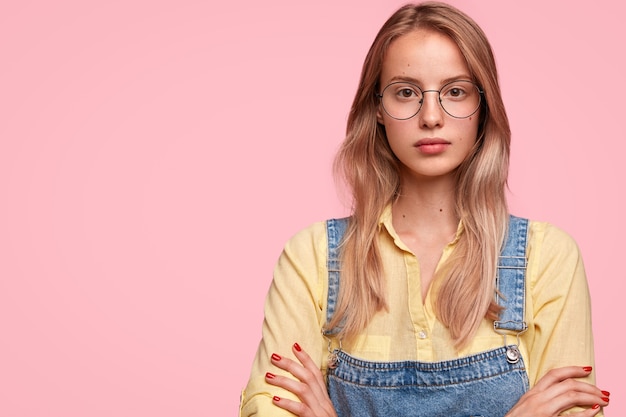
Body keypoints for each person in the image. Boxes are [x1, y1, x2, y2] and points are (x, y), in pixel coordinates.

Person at [239, 2, 610, 416]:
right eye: (405, 92)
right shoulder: (312, 259)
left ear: (482, 107)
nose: (431, 117)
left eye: (455, 91)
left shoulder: (547, 258)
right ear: (377, 108)